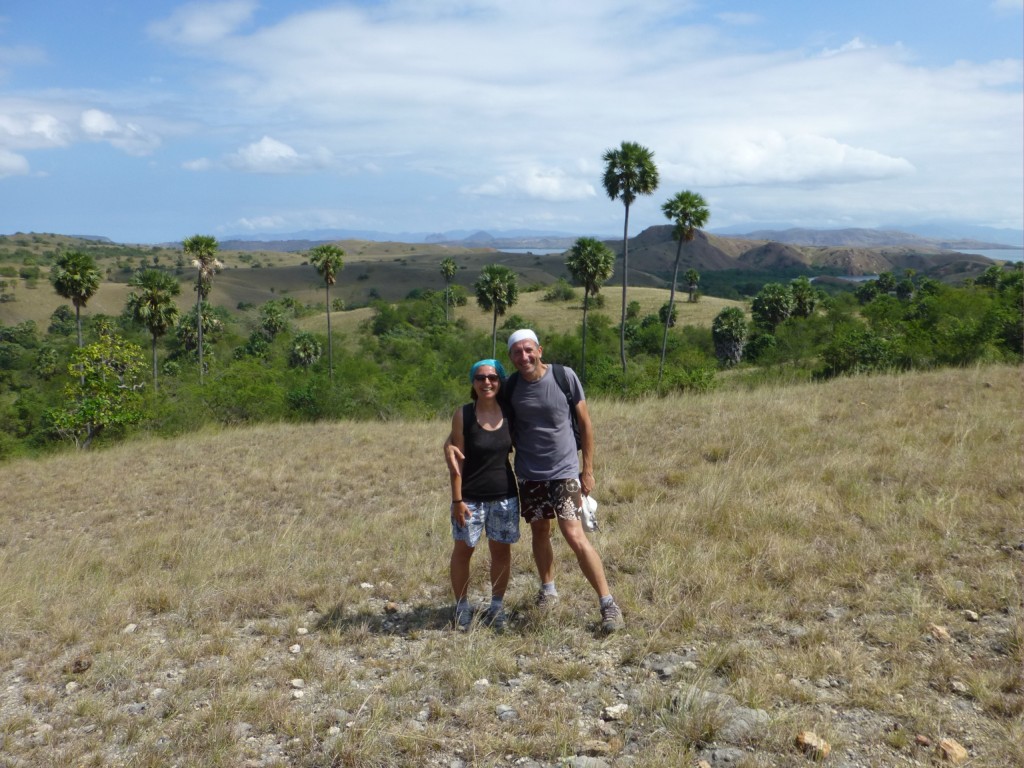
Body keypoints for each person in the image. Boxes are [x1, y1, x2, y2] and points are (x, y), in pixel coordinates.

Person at [447, 330, 624, 633]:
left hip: (564, 472)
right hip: (529, 476)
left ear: (539, 350)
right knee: (539, 532)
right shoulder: (510, 387)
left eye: (528, 350)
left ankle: (607, 602)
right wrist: (447, 446)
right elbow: (473, 424)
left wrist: (587, 469)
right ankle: (548, 590)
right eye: (517, 352)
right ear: (511, 357)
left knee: (574, 534)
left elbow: (585, 423)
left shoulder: (564, 377)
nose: (524, 356)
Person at [446, 359, 520, 630]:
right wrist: (457, 500)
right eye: (480, 377)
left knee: (501, 552)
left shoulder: (510, 413)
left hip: (504, 496)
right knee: (463, 551)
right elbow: (457, 460)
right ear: (473, 382)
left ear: (500, 381)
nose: (486, 382)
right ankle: (462, 606)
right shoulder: (463, 415)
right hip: (469, 498)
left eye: (492, 377)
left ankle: (497, 606)